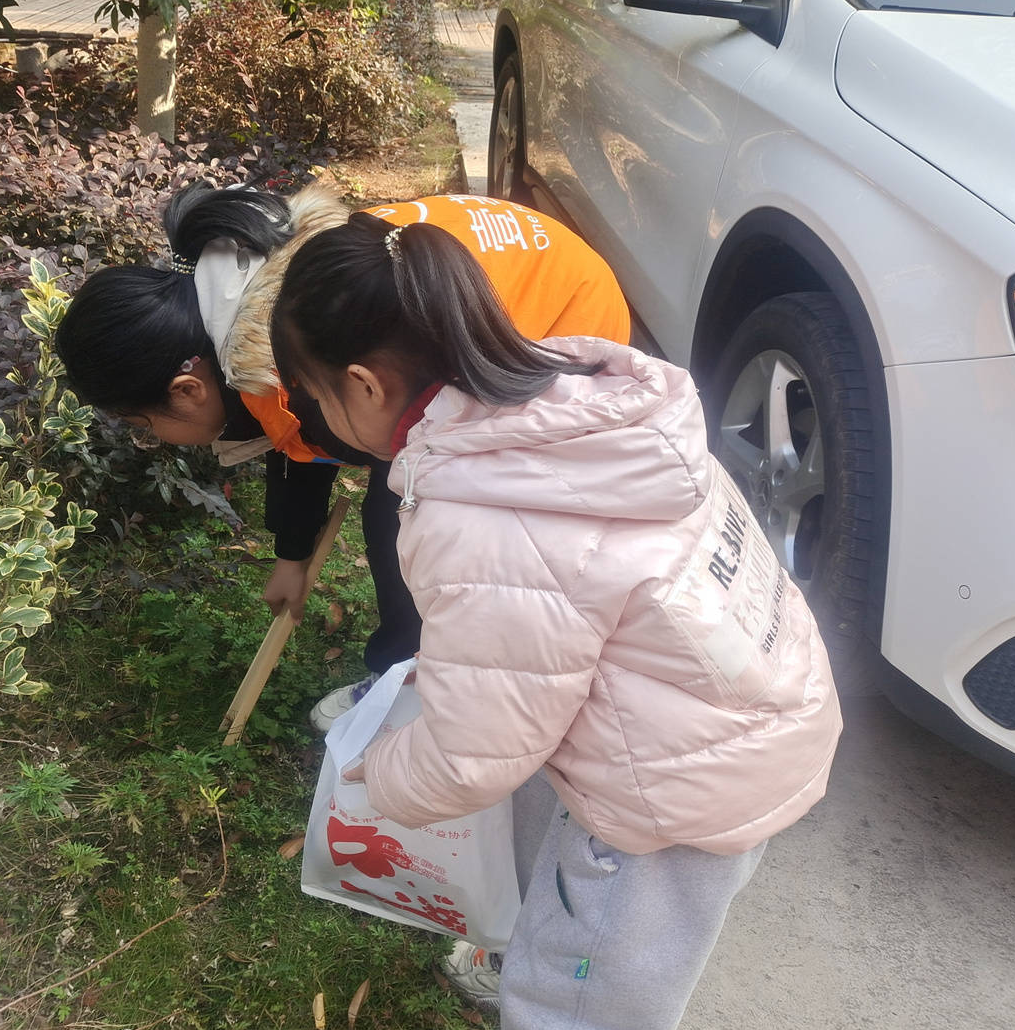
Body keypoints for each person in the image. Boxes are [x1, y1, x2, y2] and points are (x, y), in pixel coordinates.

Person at [269, 214, 843, 1030]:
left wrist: (373, 773)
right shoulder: (574, 405)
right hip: (743, 714)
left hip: (665, 802)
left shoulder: (476, 508)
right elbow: (536, 640)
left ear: (361, 385)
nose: (314, 417)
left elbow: (475, 754)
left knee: (580, 1017)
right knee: (580, 916)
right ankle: (529, 951)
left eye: (312, 398)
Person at [54, 184, 630, 736]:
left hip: (556, 319)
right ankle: (412, 664)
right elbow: (301, 442)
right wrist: (293, 555)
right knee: (402, 497)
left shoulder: (286, 359)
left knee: (433, 518)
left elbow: (332, 447)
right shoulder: (239, 307)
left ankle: (427, 686)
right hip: (524, 273)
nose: (151, 439)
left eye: (143, 428)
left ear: (187, 390)